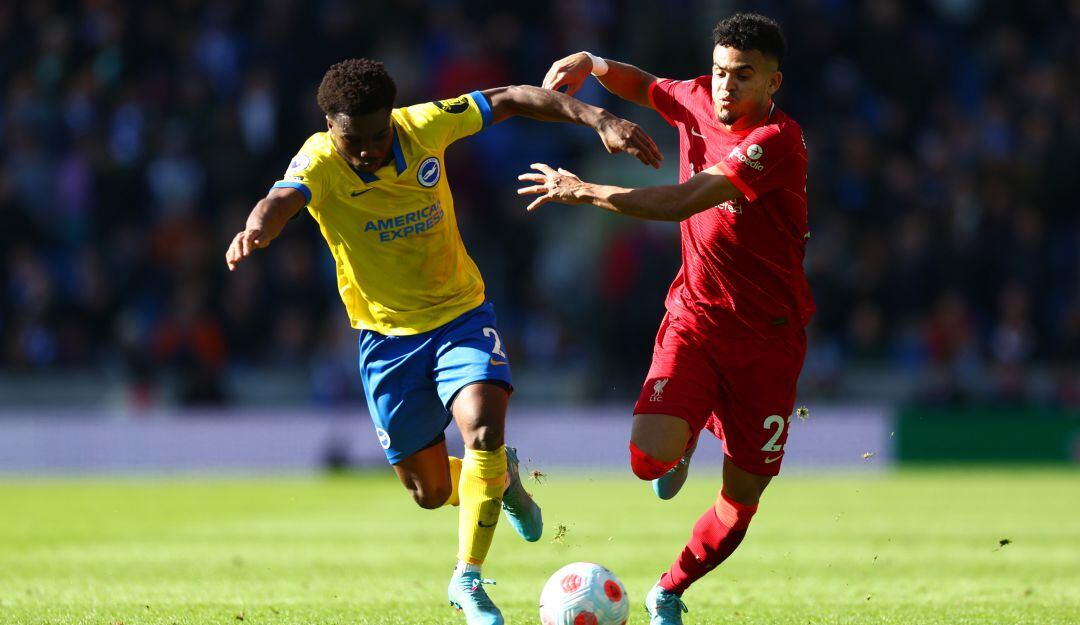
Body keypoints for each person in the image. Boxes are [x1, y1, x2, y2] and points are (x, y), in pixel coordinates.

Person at [225, 58, 661, 625]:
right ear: (330, 127)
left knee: (482, 426)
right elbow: (282, 197)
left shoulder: (425, 124)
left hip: (460, 312)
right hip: (384, 338)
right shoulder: (319, 159)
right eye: (353, 139)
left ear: (393, 119)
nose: (368, 150)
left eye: (378, 135)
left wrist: (598, 116)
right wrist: (259, 226)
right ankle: (501, 483)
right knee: (429, 491)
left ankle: (468, 579)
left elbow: (509, 97)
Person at [527, 14, 813, 624]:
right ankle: (684, 437)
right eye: (718, 72)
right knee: (647, 461)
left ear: (773, 83)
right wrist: (594, 64)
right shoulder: (700, 98)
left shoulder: (776, 143)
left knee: (740, 503)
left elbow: (683, 200)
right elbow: (647, 86)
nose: (725, 87)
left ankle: (669, 589)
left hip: (769, 342)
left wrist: (586, 192)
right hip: (697, 319)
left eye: (743, 76)